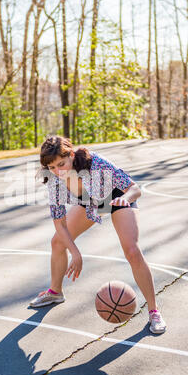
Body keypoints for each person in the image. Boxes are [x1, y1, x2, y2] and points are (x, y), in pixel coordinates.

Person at [29, 135, 166, 334]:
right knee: (58, 242)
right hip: (91, 203)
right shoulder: (54, 180)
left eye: (62, 164)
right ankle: (55, 292)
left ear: (72, 156)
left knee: (132, 251)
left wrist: (125, 199)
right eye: (52, 168)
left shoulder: (95, 163)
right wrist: (75, 253)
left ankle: (154, 311)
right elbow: (59, 223)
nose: (58, 171)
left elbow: (134, 189)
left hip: (118, 197)